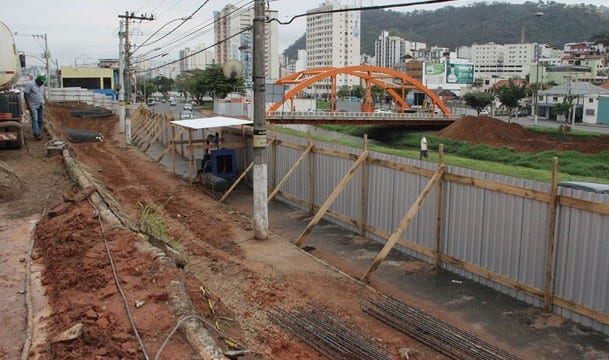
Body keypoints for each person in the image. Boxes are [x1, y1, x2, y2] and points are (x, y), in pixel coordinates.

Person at [24, 74, 46, 140]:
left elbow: (42, 94)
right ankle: (37, 134)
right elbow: (26, 94)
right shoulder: (30, 84)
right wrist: (28, 105)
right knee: (35, 119)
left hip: (40, 104)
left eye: (43, 82)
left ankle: (37, 131)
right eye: (41, 81)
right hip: (32, 105)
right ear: (38, 79)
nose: (42, 83)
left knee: (40, 119)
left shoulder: (42, 86)